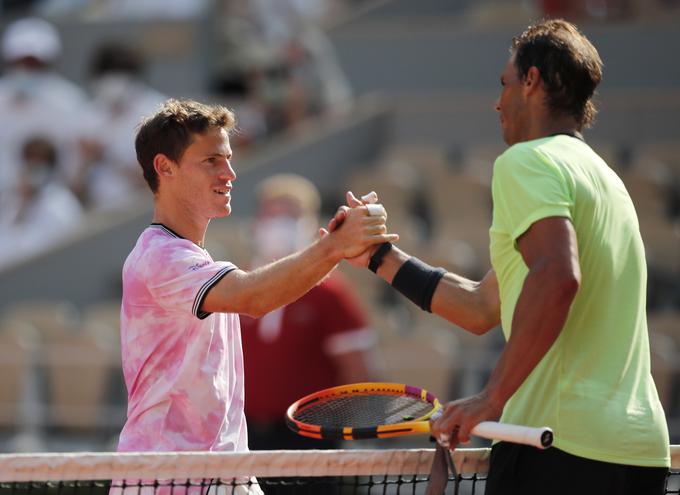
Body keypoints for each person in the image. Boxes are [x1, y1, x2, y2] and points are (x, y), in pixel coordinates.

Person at [329, 19, 670, 494]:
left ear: (531, 82)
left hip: (557, 448)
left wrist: (491, 399)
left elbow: (557, 278)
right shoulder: (607, 180)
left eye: (504, 83)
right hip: (638, 453)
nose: (497, 102)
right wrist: (377, 256)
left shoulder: (527, 161)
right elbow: (481, 307)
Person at [117, 99, 396, 456]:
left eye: (229, 159)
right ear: (164, 167)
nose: (230, 173)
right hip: (171, 478)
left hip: (221, 472)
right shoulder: (161, 257)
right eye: (211, 161)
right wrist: (335, 247)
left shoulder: (189, 259)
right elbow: (253, 298)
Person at [241, 173, 378, 450]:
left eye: (290, 217)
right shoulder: (236, 286)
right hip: (242, 434)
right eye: (272, 216)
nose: (279, 226)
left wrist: (352, 434)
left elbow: (357, 369)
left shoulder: (330, 293)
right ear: (256, 224)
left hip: (309, 437)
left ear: (310, 224)